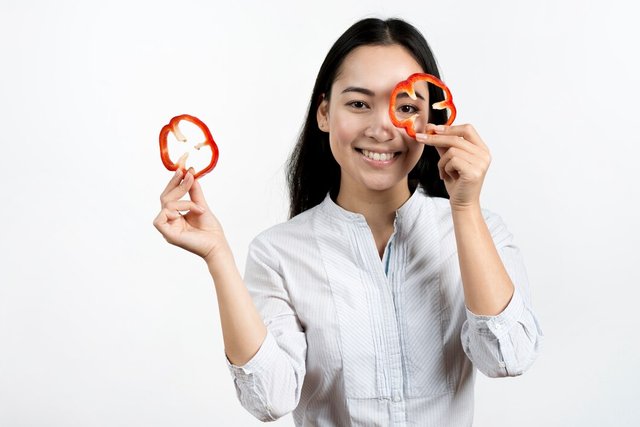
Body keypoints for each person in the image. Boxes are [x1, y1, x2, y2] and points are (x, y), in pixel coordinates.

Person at [153, 17, 542, 427]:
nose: (381, 128)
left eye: (406, 107)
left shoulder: (480, 230)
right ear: (324, 113)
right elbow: (270, 398)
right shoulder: (278, 253)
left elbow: (507, 356)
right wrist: (218, 257)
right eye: (358, 104)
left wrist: (464, 209)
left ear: (433, 121)